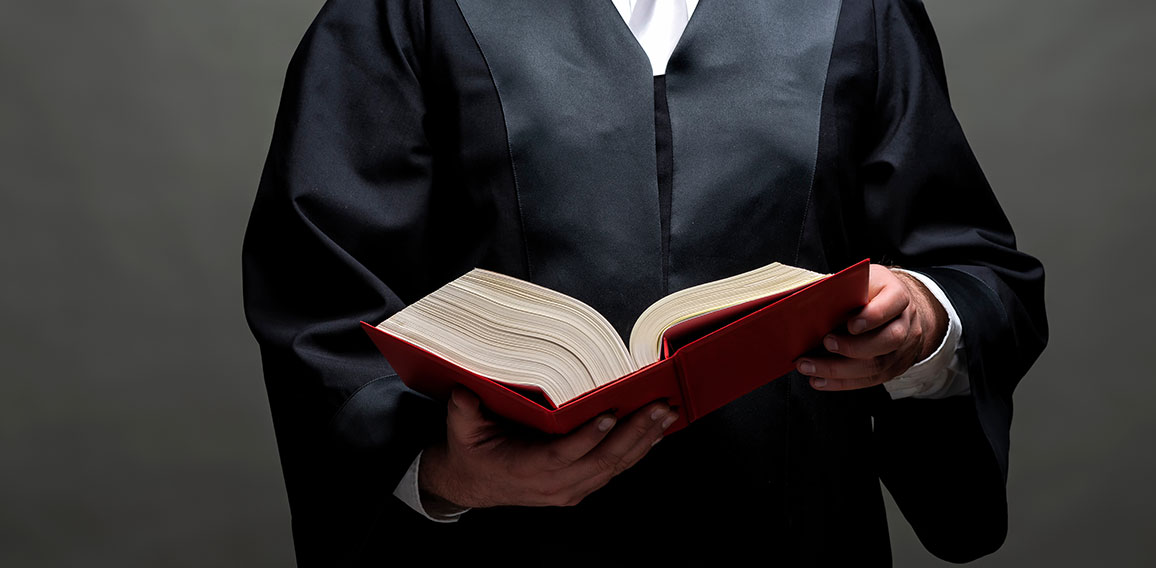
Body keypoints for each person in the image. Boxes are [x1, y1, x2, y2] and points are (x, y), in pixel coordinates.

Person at [242, 0, 1047, 565]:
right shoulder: (404, 12)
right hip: (510, 549)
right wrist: (450, 474)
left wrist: (925, 323)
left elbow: (980, 275)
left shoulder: (855, 9)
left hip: (798, 536)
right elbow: (320, 306)